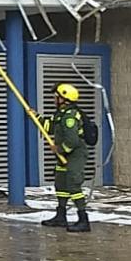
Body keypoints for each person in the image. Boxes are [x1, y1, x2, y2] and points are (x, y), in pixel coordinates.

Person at [41, 83, 91, 233]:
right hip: (64, 154)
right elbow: (49, 126)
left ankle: (83, 220)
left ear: (63, 99)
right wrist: (34, 116)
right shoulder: (61, 113)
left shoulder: (70, 116)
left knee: (73, 185)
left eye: (56, 96)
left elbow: (73, 140)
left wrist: (60, 149)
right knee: (61, 184)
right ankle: (60, 216)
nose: (53, 99)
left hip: (75, 154)